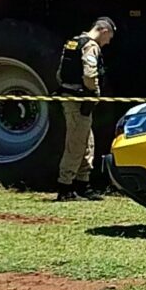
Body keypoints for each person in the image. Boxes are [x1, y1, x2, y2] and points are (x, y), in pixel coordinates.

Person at [55, 15, 117, 199]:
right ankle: (65, 187)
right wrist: (94, 93)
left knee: (87, 143)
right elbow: (90, 74)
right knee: (75, 144)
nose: (108, 42)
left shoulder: (73, 43)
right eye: (109, 38)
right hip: (80, 100)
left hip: (71, 97)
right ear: (104, 31)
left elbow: (60, 73)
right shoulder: (91, 46)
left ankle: (83, 184)